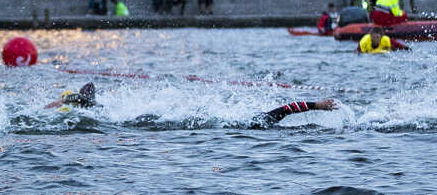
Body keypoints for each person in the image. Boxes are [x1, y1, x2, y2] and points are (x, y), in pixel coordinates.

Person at [45, 82, 337, 127]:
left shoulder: (248, 121)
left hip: (176, 120)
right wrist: (315, 105)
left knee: (117, 119)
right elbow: (284, 110)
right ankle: (82, 102)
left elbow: (285, 109)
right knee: (120, 121)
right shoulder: (259, 123)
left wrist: (315, 106)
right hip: (172, 123)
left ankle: (82, 102)